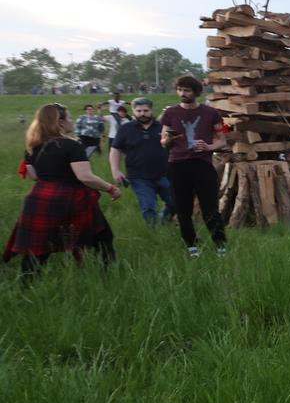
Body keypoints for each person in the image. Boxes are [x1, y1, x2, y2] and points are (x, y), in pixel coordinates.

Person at [4, 103, 121, 277]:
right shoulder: (71, 146)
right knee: (102, 238)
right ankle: (109, 275)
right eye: (69, 117)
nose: (72, 120)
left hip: (39, 198)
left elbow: (34, 176)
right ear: (60, 122)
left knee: (38, 247)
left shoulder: (32, 146)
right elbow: (85, 177)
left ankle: (26, 284)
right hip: (71, 199)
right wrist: (111, 188)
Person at [159, 75, 228, 258]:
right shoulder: (170, 113)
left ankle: (221, 246)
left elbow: (222, 140)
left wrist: (209, 147)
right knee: (183, 209)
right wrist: (169, 140)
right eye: (180, 89)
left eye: (186, 90)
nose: (182, 93)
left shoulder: (210, 113)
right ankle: (192, 247)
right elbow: (163, 141)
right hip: (177, 165)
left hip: (202, 164)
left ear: (195, 92)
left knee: (210, 208)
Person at [110, 97, 174, 225]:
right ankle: (154, 235)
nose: (142, 114)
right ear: (133, 111)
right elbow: (115, 149)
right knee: (148, 207)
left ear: (151, 110)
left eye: (145, 110)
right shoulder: (126, 128)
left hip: (164, 174)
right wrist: (115, 170)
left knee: (175, 203)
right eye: (138, 111)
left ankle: (163, 221)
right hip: (139, 176)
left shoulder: (163, 127)